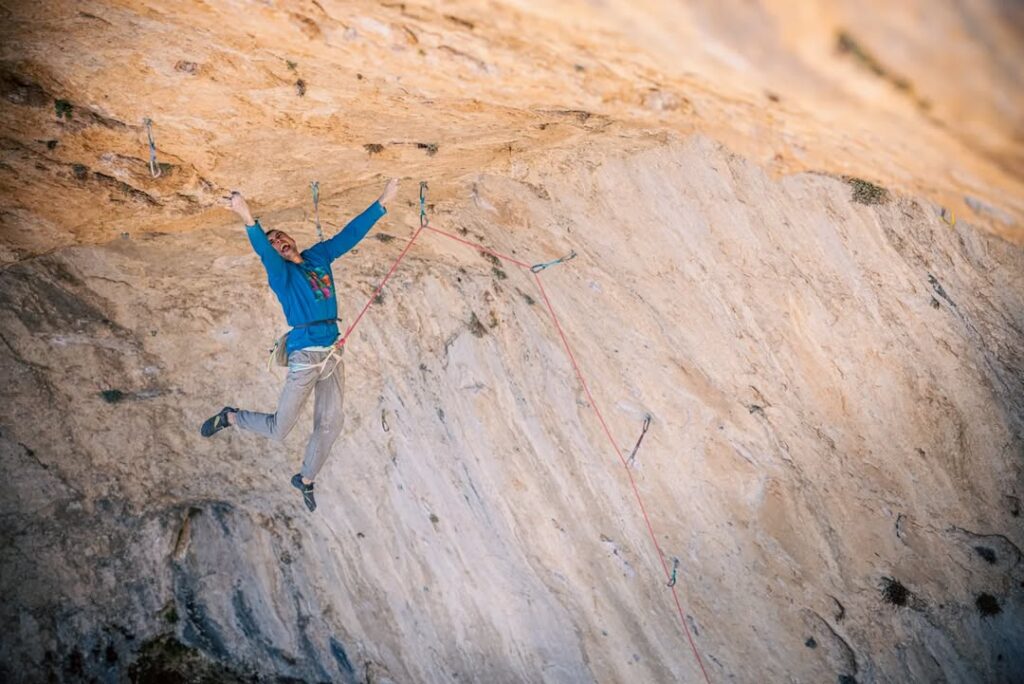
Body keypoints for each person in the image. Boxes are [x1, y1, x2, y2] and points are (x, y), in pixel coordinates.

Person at [200, 179, 399, 512]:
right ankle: (231, 417)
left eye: (281, 236)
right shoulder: (281, 276)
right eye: (273, 241)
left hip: (333, 351)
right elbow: (264, 253)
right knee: (280, 430)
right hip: (306, 354)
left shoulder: (317, 257)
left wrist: (382, 202)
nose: (278, 242)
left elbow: (348, 237)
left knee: (331, 423)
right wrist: (248, 217)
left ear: (291, 240)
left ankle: (305, 479)